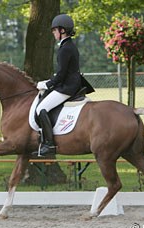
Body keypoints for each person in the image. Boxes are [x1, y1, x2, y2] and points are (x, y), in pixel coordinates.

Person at [34, 14, 82, 157]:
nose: (53, 33)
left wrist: (47, 84)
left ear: (62, 31)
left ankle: (49, 144)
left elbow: (61, 74)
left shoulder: (65, 48)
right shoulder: (68, 45)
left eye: (55, 30)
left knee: (41, 108)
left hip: (67, 87)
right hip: (69, 83)